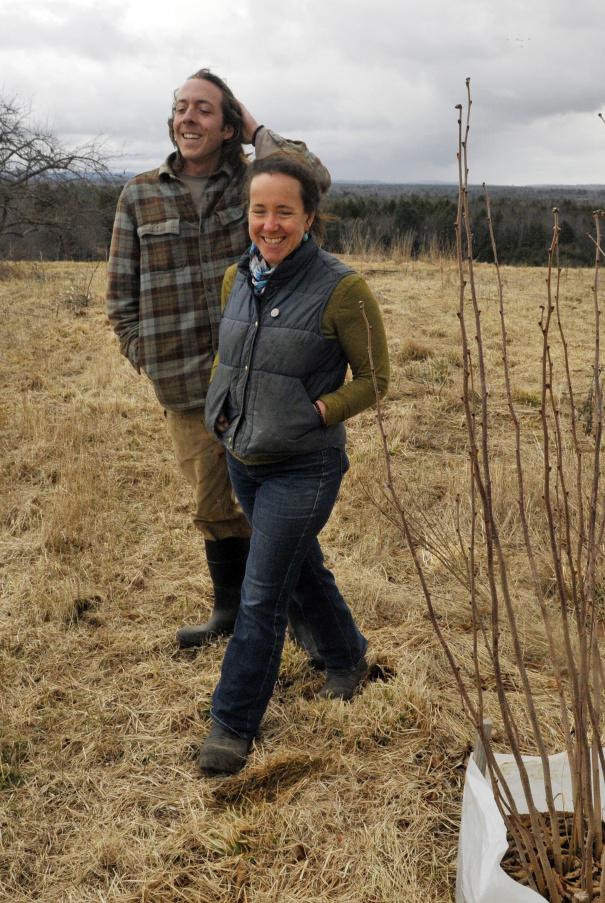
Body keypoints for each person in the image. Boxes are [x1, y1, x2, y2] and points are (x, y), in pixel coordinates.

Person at [106, 69, 331, 653]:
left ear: (229, 126)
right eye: (181, 107)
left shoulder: (256, 182)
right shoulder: (139, 195)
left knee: (272, 506)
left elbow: (316, 177)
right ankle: (229, 610)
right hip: (183, 383)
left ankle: (306, 621)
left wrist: (256, 129)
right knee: (213, 505)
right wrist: (147, 355)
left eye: (205, 109)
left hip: (262, 375)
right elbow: (120, 298)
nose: (188, 117)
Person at [196, 151, 389, 774]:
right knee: (299, 569)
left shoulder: (343, 288)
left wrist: (323, 412)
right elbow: (235, 362)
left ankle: (232, 723)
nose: (270, 224)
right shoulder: (236, 279)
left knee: (260, 594)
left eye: (285, 211)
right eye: (260, 210)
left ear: (310, 216)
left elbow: (377, 379)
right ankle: (346, 657)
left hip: (304, 467)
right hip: (243, 457)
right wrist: (224, 413)